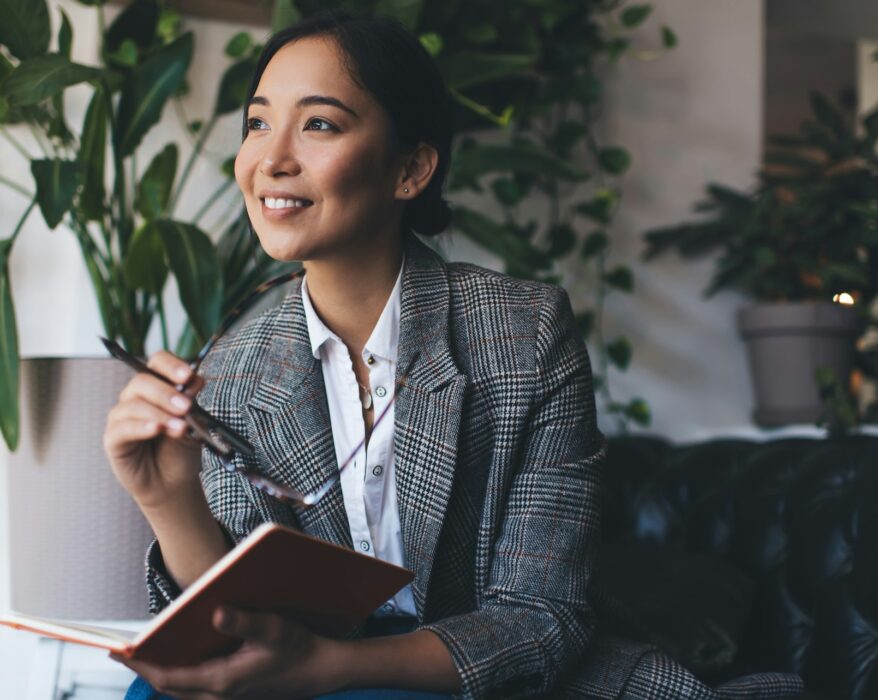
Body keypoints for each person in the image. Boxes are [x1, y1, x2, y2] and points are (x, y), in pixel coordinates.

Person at [104, 10, 804, 700]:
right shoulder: (231, 365)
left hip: (497, 680)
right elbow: (237, 631)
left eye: (319, 123)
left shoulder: (523, 332)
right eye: (257, 122)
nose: (272, 158)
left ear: (410, 169)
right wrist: (167, 500)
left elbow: (542, 620)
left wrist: (333, 668)